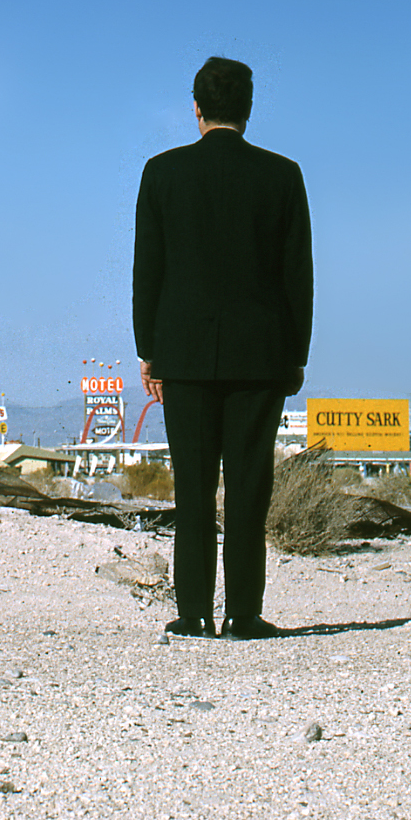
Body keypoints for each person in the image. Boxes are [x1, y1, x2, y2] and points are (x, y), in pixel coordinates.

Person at [132, 56, 313, 641]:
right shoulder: (283, 176)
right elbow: (298, 277)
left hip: (182, 355)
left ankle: (192, 615)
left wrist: (148, 351)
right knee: (248, 487)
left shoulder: (161, 173)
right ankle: (243, 614)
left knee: (192, 489)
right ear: (249, 107)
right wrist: (296, 355)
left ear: (196, 106)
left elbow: (147, 272)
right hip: (260, 357)